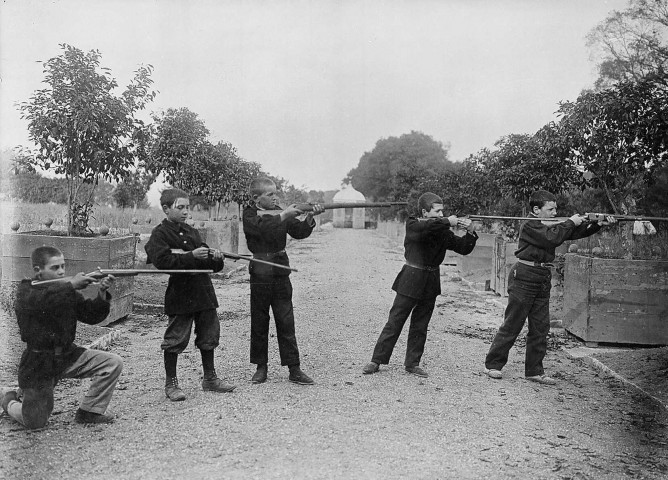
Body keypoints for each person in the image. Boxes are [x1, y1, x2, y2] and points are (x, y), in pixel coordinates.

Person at [484, 190, 616, 385]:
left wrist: (596, 225)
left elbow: (570, 233)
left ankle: (534, 371)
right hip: (524, 275)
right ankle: (493, 365)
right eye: (550, 209)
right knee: (513, 323)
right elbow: (551, 238)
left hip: (542, 276)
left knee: (540, 327)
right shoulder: (529, 224)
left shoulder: (550, 226)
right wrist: (571, 221)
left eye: (556, 209)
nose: (555, 212)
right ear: (536, 210)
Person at [0, 246, 122, 428]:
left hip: (67, 356)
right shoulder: (26, 291)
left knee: (112, 363)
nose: (62, 271)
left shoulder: (66, 291)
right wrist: (71, 285)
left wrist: (102, 293)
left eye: (63, 266)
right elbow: (43, 302)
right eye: (55, 268)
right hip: (38, 363)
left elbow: (91, 315)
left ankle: (89, 411)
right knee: (34, 423)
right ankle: (8, 399)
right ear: (38, 271)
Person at [362, 192, 478, 378]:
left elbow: (463, 248)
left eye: (443, 212)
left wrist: (471, 231)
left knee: (420, 325)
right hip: (411, 278)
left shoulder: (441, 230)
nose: (441, 215)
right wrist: (449, 221)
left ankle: (412, 363)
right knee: (395, 321)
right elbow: (427, 228)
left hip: (431, 280)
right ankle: (376, 360)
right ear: (424, 212)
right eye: (437, 211)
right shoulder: (413, 224)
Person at [144, 188, 235, 402]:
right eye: (180, 207)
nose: (186, 212)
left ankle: (210, 379)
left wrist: (216, 258)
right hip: (180, 294)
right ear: (166, 209)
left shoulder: (192, 232)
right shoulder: (159, 234)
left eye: (187, 207)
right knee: (175, 339)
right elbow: (163, 262)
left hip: (203, 292)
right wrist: (190, 256)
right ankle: (171, 383)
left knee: (209, 335)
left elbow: (211, 266)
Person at [242, 177, 324, 385]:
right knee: (259, 320)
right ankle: (261, 368)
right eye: (270, 194)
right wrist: (285, 213)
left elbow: (298, 232)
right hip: (260, 270)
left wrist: (310, 218)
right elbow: (260, 228)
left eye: (275, 193)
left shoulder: (280, 211)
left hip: (281, 270)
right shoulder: (249, 213)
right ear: (255, 198)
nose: (275, 197)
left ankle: (294, 368)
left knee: (286, 319)